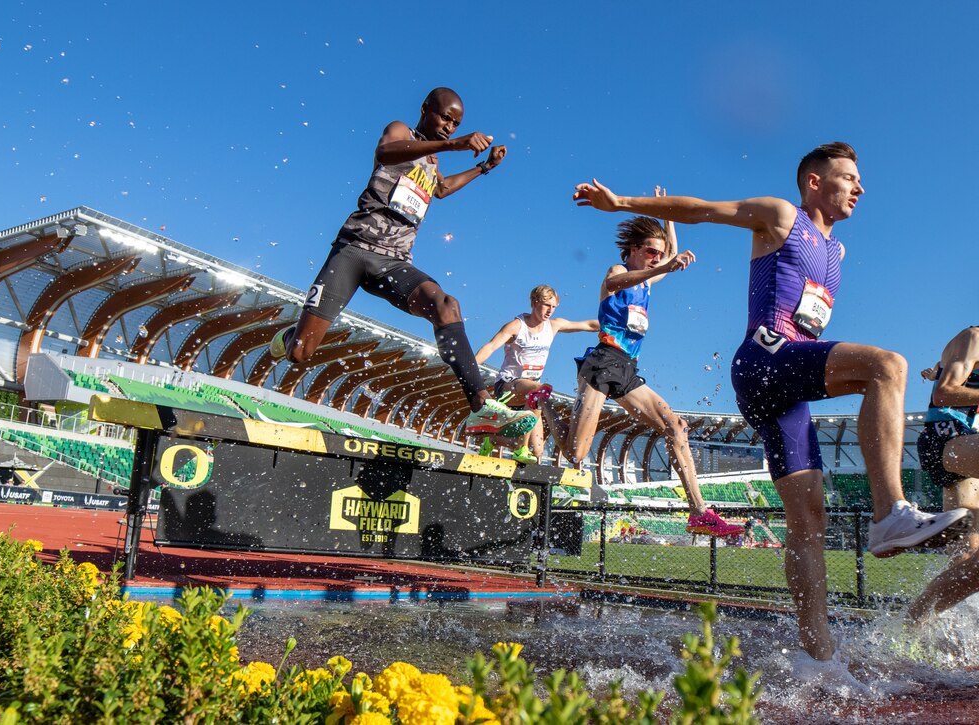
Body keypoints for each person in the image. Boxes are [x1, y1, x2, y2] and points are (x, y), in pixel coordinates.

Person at [571, 142, 971, 665]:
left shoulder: (838, 251)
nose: (860, 187)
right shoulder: (783, 217)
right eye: (848, 177)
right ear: (813, 182)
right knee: (888, 366)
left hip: (789, 387)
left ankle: (819, 662)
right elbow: (704, 210)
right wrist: (621, 202)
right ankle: (889, 512)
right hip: (764, 358)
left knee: (809, 523)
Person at [270, 87, 535, 441]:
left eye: (455, 125)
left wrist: (483, 168)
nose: (448, 128)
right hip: (353, 251)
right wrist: (451, 146)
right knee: (301, 353)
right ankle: (290, 335)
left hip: (393, 262)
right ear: (425, 109)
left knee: (447, 305)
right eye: (444, 118)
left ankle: (481, 407)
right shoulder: (400, 132)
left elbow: (440, 189)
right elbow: (386, 152)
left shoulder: (433, 160)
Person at [536, 189, 743, 538]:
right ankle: (543, 402)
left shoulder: (651, 274)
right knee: (575, 453)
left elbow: (673, 255)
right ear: (633, 251)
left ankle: (700, 512)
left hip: (628, 369)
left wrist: (668, 215)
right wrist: (662, 265)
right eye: (650, 252)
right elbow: (614, 283)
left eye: (659, 254)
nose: (656, 258)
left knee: (676, 427)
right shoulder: (620, 270)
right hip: (601, 363)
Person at [472, 284, 598, 463]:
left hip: (530, 398)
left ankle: (493, 439)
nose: (550, 311)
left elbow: (587, 324)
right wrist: (469, 367)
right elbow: (491, 346)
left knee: (537, 452)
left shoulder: (554, 326)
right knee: (540, 390)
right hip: (509, 386)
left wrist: (614, 325)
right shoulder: (516, 326)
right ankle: (520, 449)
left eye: (554, 307)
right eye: (547, 305)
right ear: (534, 302)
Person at [908, 326, 979, 619]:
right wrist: (936, 375)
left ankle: (913, 623)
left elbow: (942, 373)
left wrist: (933, 370)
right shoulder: (974, 337)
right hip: (945, 440)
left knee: (969, 564)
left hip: (965, 455)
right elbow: (944, 393)